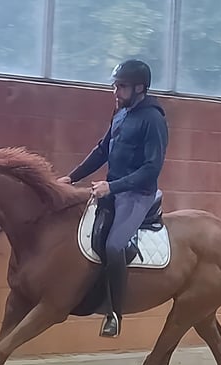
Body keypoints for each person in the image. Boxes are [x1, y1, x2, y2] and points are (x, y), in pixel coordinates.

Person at [58, 59, 169, 338]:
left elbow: (152, 168)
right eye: (115, 86)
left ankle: (115, 314)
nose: (115, 92)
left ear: (140, 88)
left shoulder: (153, 119)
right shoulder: (120, 113)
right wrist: (70, 178)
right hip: (113, 189)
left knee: (114, 245)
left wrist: (113, 186)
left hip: (136, 194)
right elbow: (101, 150)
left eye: (121, 87)